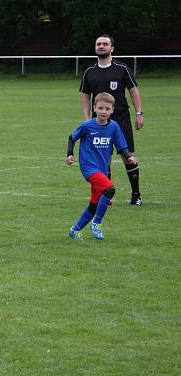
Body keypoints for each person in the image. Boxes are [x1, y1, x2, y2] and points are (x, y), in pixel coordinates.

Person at [79, 34, 144, 206]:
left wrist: (139, 113)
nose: (101, 46)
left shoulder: (122, 68)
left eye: (105, 44)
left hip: (121, 120)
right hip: (98, 123)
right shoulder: (89, 72)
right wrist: (87, 120)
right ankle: (105, 196)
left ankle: (136, 195)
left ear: (112, 48)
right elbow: (85, 96)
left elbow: (134, 91)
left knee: (128, 156)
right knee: (102, 158)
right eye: (98, 44)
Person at [66, 92, 137, 240]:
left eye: (107, 109)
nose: (103, 111)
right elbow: (72, 137)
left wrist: (128, 156)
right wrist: (70, 154)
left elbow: (121, 146)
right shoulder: (87, 125)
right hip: (89, 167)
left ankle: (75, 230)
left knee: (94, 203)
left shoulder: (114, 127)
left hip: (103, 168)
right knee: (110, 189)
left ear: (112, 110)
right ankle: (97, 223)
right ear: (94, 108)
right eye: (100, 108)